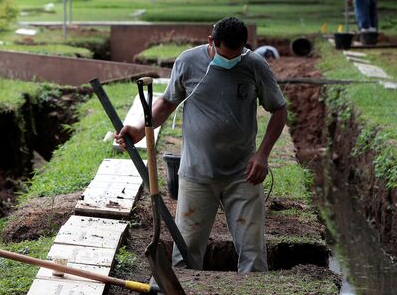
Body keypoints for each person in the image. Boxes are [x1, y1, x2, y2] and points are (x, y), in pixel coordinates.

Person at [115, 17, 287, 273]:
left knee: (253, 250)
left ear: (244, 46)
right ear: (211, 42)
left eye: (236, 55)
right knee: (186, 249)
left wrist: (262, 155)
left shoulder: (254, 65)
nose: (229, 61)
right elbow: (168, 101)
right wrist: (140, 128)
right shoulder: (188, 61)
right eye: (223, 54)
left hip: (243, 175)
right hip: (197, 174)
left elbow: (279, 109)